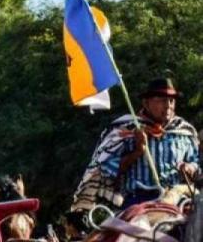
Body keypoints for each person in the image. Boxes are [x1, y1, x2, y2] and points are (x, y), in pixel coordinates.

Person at [72, 78, 199, 215]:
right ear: (146, 103)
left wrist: (190, 168)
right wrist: (138, 151)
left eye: (171, 101)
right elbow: (107, 168)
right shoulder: (126, 129)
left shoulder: (184, 132)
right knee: (127, 231)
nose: (168, 105)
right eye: (161, 100)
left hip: (178, 199)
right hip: (138, 200)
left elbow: (196, 162)